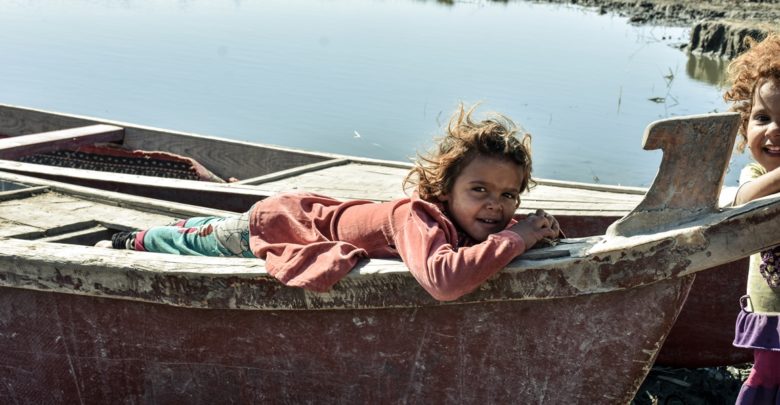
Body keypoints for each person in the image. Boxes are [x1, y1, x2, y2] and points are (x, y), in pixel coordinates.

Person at [102, 104, 560, 301]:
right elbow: (443, 282)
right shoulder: (416, 217)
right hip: (283, 222)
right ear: (444, 191)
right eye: (479, 190)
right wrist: (517, 239)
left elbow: (490, 238)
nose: (496, 205)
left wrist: (532, 233)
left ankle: (178, 226)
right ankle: (133, 240)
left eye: (508, 195)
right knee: (200, 242)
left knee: (206, 230)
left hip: (313, 213)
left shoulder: (469, 219)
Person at [725, 33, 780, 404]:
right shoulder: (755, 176)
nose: (773, 130)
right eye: (762, 118)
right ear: (745, 125)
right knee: (770, 379)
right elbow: (744, 202)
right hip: (774, 320)